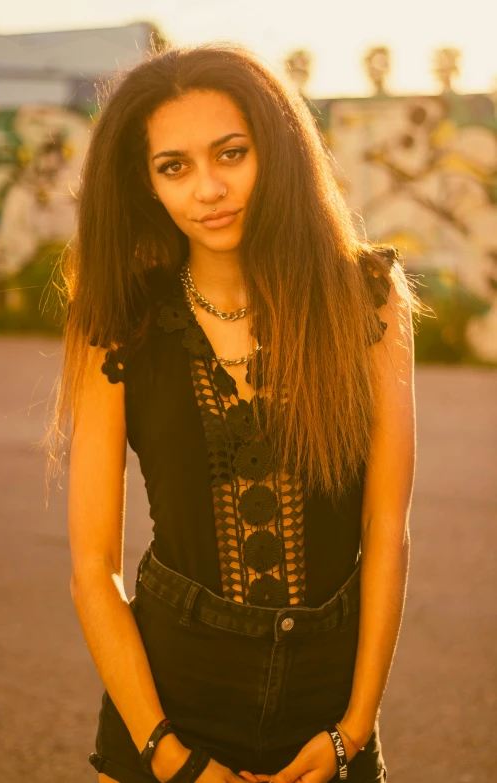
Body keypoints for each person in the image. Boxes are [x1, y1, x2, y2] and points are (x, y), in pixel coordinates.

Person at [54, 41, 424, 783]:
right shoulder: (120, 320)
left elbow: (387, 528)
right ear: (146, 183)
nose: (209, 188)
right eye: (175, 167)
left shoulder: (367, 299)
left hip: (328, 705)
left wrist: (354, 729)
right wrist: (169, 755)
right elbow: (94, 567)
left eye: (232, 153)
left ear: (278, 151)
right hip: (169, 703)